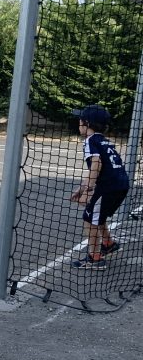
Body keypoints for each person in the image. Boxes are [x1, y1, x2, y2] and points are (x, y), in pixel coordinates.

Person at [69, 104, 129, 270]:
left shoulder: (90, 140)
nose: (78, 123)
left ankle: (94, 258)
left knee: (89, 219)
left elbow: (96, 163)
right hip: (121, 184)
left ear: (87, 123)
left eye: (80, 120)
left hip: (109, 186)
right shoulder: (104, 140)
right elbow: (97, 168)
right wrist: (82, 188)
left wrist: (89, 187)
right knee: (97, 214)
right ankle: (108, 244)